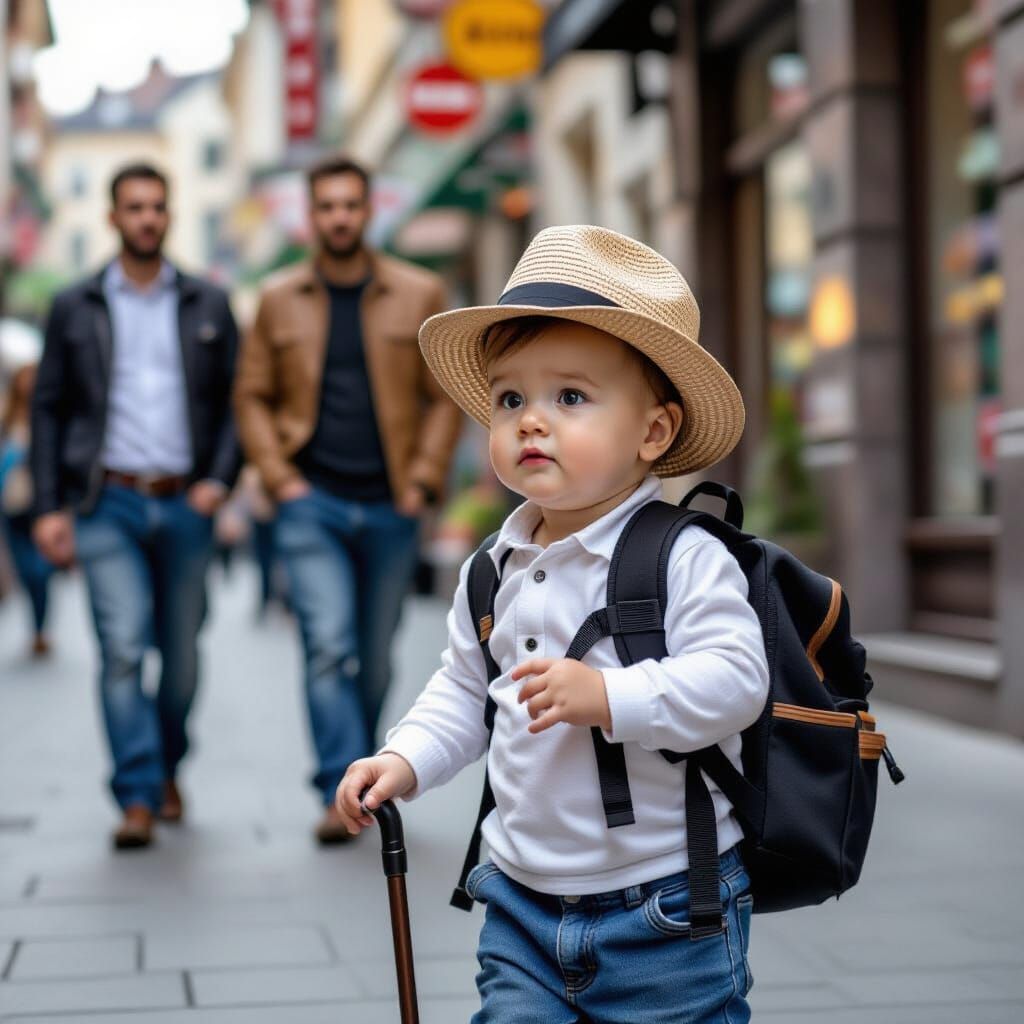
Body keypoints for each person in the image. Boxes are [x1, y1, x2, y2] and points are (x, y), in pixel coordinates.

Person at [336, 225, 770, 1022]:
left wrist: (608, 695)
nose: (531, 420)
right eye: (510, 399)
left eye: (569, 397)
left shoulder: (683, 557)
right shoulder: (491, 569)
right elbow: (466, 694)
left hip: (668, 908)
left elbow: (737, 682)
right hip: (521, 908)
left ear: (654, 432)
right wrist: (404, 758)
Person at [234, 154, 461, 844]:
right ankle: (341, 786)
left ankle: (361, 767)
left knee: (378, 650)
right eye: (326, 206)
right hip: (313, 502)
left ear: (369, 212)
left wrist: (422, 480)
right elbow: (252, 395)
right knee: (327, 646)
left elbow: (443, 396)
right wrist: (280, 478)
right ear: (311, 215)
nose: (338, 217)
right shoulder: (278, 298)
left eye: (350, 205)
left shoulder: (419, 292)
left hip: (392, 504)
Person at [30, 163, 240, 849]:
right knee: (122, 649)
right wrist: (49, 506)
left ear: (170, 214)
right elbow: (49, 409)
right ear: (113, 217)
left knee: (179, 658)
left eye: (157, 206)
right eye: (134, 207)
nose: (147, 217)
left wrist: (219, 478)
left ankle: (167, 764)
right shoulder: (75, 304)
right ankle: (137, 794)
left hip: (185, 503)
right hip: (106, 503)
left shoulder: (208, 302)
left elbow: (237, 402)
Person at [1, 364, 55, 657]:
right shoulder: (7, 418)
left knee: (39, 570)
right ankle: (36, 627)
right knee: (25, 569)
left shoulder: (47, 416)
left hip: (38, 503)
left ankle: (40, 629)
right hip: (11, 504)